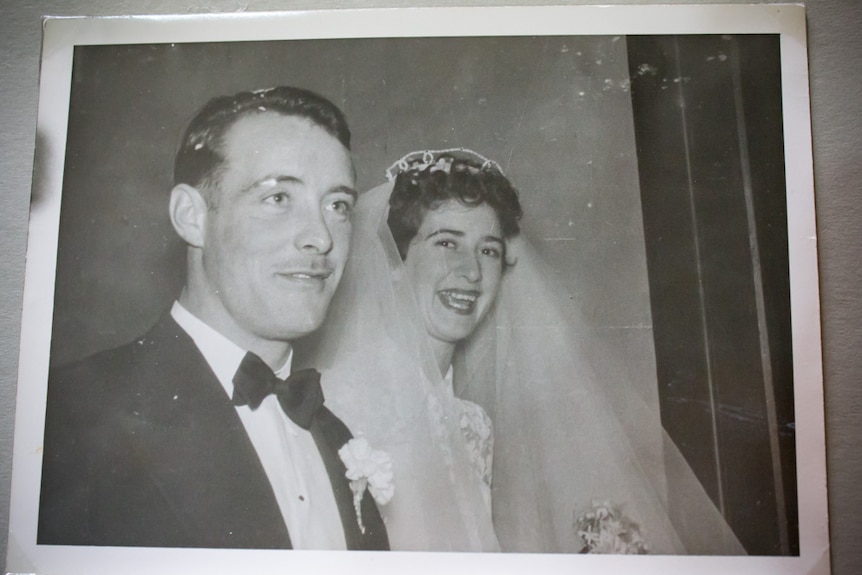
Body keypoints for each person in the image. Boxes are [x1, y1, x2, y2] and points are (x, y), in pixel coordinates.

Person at [309, 148, 746, 554]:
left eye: (489, 250)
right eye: (446, 243)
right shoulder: (336, 402)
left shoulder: (473, 424)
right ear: (393, 262)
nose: (472, 272)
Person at [37, 86, 389, 550]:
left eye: (338, 205)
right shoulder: (66, 418)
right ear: (191, 216)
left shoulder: (333, 435)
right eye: (278, 198)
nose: (321, 237)